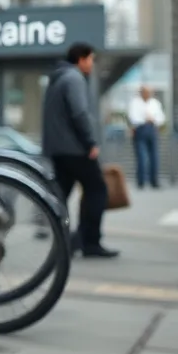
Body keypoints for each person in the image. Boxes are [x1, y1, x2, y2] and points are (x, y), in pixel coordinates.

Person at [42, 42, 118, 258]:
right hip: (75, 148)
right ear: (82, 59)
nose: (92, 64)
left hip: (58, 149)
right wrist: (90, 143)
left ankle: (65, 241)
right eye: (91, 59)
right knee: (97, 189)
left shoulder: (56, 79)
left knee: (62, 194)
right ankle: (89, 241)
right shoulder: (73, 78)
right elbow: (79, 113)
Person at [126, 86, 166, 189]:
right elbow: (133, 117)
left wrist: (153, 119)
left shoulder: (155, 103)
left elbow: (161, 118)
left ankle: (154, 180)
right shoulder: (135, 103)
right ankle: (141, 181)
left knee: (154, 157)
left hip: (152, 129)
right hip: (140, 129)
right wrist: (145, 118)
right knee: (141, 157)